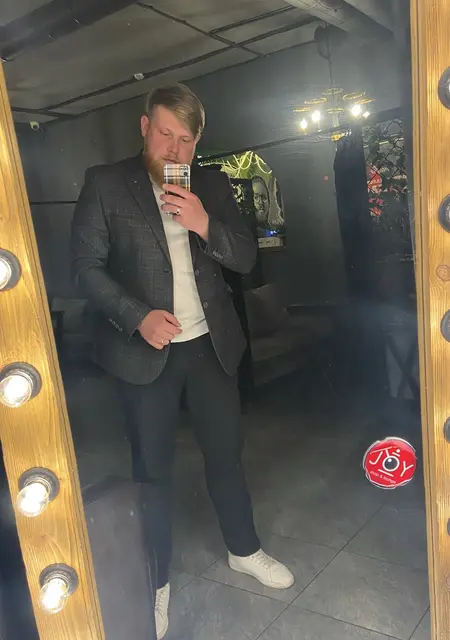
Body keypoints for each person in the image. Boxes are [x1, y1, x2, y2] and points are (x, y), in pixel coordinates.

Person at [71, 83, 294, 639]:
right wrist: (136, 316)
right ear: (145, 127)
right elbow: (84, 268)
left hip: (210, 346)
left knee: (226, 455)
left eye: (186, 139)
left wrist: (204, 223)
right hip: (144, 350)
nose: (174, 149)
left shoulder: (211, 184)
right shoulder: (106, 183)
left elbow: (244, 257)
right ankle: (157, 581)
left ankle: (244, 548)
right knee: (152, 470)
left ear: (198, 141)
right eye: (165, 133)